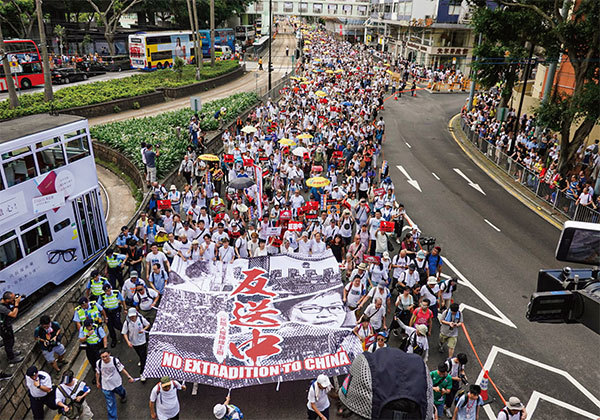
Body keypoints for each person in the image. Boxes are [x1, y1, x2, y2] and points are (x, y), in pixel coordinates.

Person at [95, 348, 134, 420]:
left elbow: (122, 369)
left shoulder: (115, 361)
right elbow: (98, 373)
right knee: (110, 403)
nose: (105, 358)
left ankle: (123, 396)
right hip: (106, 385)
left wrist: (129, 377)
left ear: (109, 354)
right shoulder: (99, 363)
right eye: (103, 357)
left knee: (121, 391)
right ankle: (113, 418)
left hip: (116, 383)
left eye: (106, 356)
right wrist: (98, 382)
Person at [122, 308, 150, 382]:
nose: (132, 318)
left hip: (142, 341)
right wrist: (128, 342)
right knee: (140, 354)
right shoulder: (127, 322)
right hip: (134, 342)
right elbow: (124, 333)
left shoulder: (140, 319)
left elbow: (147, 324)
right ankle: (142, 360)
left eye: (133, 316)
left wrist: (143, 329)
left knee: (143, 356)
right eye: (131, 316)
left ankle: (143, 373)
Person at [97, 284, 125, 348]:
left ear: (111, 288)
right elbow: (99, 305)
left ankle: (123, 332)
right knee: (110, 327)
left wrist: (125, 309)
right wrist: (102, 315)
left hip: (115, 311)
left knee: (117, 323)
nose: (108, 292)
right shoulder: (102, 296)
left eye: (108, 290)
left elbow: (122, 300)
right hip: (108, 313)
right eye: (106, 291)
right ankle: (114, 339)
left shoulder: (116, 293)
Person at [0, 291, 24, 364]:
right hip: (3, 328)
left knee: (10, 340)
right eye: (12, 299)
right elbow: (13, 314)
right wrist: (16, 304)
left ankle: (11, 353)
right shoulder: (1, 307)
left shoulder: (4, 302)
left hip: (6, 325)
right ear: (7, 300)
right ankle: (11, 358)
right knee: (9, 342)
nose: (14, 300)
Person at [445, 353, 469, 417]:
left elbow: (462, 370)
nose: (461, 365)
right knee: (444, 394)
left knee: (451, 396)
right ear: (458, 360)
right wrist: (454, 378)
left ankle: (447, 407)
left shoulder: (461, 363)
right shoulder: (448, 363)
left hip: (455, 383)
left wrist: (463, 375)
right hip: (448, 381)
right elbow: (444, 375)